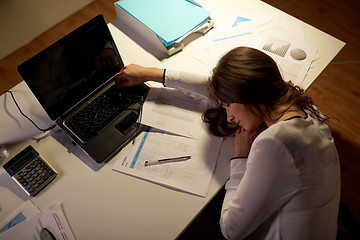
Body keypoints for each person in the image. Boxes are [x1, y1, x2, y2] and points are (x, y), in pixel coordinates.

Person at [114, 47, 340, 239]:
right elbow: (218, 89)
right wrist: (151, 74)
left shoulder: (276, 143)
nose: (229, 116)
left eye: (227, 105)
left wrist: (240, 159)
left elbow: (231, 231)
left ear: (247, 94)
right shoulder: (299, 106)